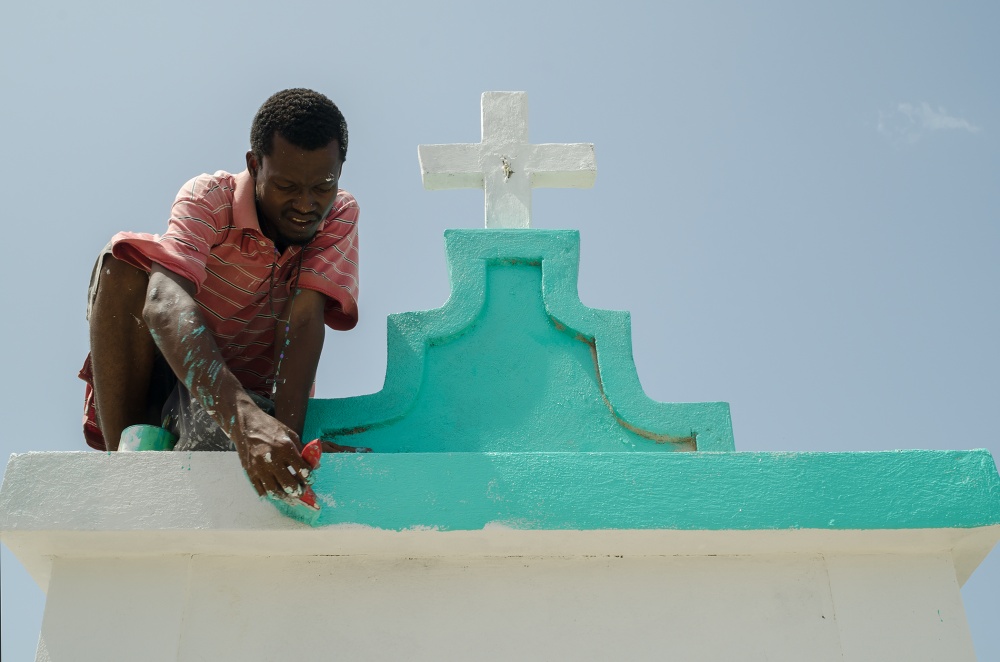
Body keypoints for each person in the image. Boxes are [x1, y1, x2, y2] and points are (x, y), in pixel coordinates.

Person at [80, 88, 365, 499]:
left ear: (340, 170)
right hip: (181, 378)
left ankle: (252, 433)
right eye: (286, 185)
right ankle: (130, 465)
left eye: (322, 185)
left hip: (253, 397)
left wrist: (283, 441)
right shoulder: (210, 197)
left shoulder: (339, 213)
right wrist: (245, 422)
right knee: (123, 262)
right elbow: (162, 304)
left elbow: (303, 323)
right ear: (255, 164)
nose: (306, 204)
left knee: (227, 426)